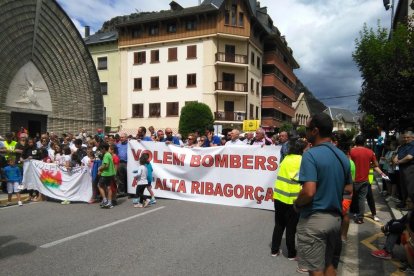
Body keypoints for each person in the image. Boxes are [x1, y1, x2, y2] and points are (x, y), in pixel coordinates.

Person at [294, 112, 353, 275]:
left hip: (315, 220)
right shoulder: (342, 156)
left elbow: (309, 191)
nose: (305, 133)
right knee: (329, 265)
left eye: (307, 129)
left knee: (315, 269)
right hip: (335, 219)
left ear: (315, 131)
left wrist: (297, 204)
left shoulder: (310, 154)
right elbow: (349, 190)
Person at [271, 138, 308, 259]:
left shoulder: (286, 158)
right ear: (302, 149)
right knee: (291, 227)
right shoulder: (303, 161)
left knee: (279, 224)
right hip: (293, 198)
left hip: (279, 196)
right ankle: (291, 253)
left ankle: (274, 250)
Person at [350, 135, 387, 224]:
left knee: (353, 198)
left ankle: (354, 213)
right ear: (364, 142)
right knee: (362, 199)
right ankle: (360, 218)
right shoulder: (370, 152)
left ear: (355, 142)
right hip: (365, 180)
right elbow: (376, 164)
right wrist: (368, 165)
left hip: (353, 180)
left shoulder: (351, 151)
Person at [393, 131, 414, 209]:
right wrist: (395, 159)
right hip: (402, 168)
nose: (405, 139)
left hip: (409, 168)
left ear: (413, 138)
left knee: (410, 188)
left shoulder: (413, 145)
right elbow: (397, 154)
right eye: (404, 137)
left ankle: (410, 205)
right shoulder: (403, 146)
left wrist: (399, 161)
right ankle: (404, 203)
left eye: (407, 137)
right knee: (403, 186)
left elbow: (409, 157)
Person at [97, 143, 116, 209]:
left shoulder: (106, 155)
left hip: (106, 174)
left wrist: (100, 169)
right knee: (108, 187)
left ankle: (105, 200)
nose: (100, 151)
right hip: (110, 173)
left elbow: (106, 165)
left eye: (100, 149)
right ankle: (109, 202)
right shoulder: (109, 154)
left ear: (104, 148)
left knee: (99, 185)